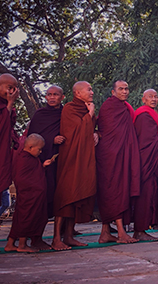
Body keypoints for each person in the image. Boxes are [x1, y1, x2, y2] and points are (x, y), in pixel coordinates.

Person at [52, 81, 98, 251]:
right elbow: (77, 130)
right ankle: (57, 238)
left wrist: (96, 133)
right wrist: (90, 114)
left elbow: (91, 129)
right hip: (71, 158)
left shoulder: (86, 108)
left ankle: (69, 236)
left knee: (77, 195)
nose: (92, 92)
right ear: (78, 93)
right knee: (65, 196)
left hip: (84, 158)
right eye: (89, 89)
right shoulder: (70, 108)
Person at [95, 80, 141, 244]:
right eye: (121, 89)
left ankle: (105, 233)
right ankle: (121, 233)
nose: (124, 91)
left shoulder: (125, 108)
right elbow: (104, 129)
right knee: (113, 190)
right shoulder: (109, 106)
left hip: (122, 153)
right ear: (113, 92)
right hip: (109, 155)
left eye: (126, 89)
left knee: (116, 189)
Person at [27, 85, 65, 250]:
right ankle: (36, 237)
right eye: (49, 94)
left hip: (62, 161)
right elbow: (32, 138)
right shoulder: (40, 115)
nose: (52, 97)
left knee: (61, 198)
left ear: (62, 97)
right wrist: (51, 139)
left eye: (55, 95)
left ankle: (60, 236)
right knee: (42, 199)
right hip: (43, 163)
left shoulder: (66, 113)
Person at [5, 134, 52, 253]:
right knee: (26, 218)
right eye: (39, 149)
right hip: (28, 195)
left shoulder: (31, 159)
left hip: (31, 194)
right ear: (30, 147)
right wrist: (35, 189)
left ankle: (10, 244)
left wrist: (43, 166)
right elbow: (21, 178)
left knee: (19, 218)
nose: (40, 152)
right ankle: (22, 244)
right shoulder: (24, 159)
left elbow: (34, 173)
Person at [0, 73, 19, 254]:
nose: (10, 91)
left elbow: (7, 129)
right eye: (8, 87)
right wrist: (9, 104)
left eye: (13, 88)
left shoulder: (3, 106)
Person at [133, 89, 158, 241]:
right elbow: (146, 141)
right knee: (144, 195)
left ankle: (142, 229)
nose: (153, 99)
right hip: (145, 160)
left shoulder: (151, 114)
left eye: (155, 96)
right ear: (143, 99)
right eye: (150, 97)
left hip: (150, 160)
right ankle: (139, 231)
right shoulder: (143, 115)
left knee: (149, 194)